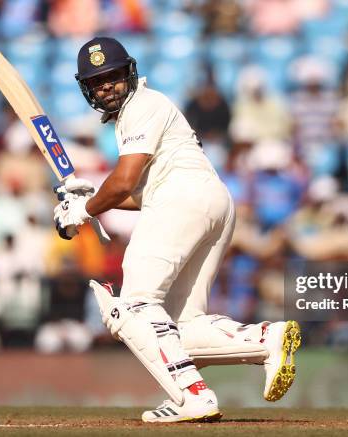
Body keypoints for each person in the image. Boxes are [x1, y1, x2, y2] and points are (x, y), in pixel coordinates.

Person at [53, 37, 301, 423]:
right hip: (210, 201)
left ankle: (193, 396)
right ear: (87, 89)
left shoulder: (143, 105)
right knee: (178, 327)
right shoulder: (146, 112)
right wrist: (92, 195)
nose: (107, 86)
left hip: (183, 200)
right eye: (98, 81)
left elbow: (124, 183)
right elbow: (139, 193)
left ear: (129, 73)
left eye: (113, 76)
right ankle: (265, 339)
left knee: (135, 308)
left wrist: (83, 210)